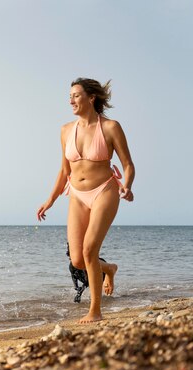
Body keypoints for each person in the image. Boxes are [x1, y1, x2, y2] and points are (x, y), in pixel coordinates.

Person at [37, 78, 135, 323]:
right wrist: (50, 199)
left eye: (76, 95)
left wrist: (127, 186)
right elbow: (64, 170)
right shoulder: (65, 130)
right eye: (69, 96)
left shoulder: (111, 127)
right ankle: (109, 268)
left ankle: (95, 311)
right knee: (78, 259)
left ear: (91, 98)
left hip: (105, 190)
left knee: (90, 250)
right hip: (77, 195)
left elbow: (127, 164)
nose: (71, 100)